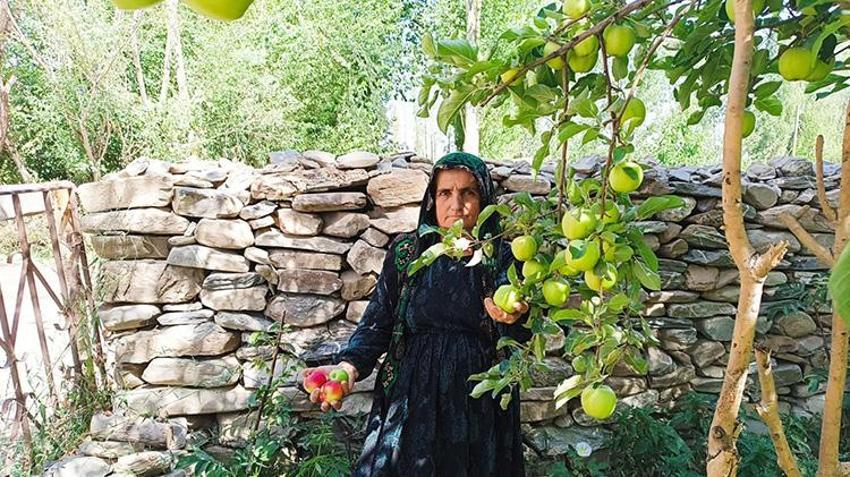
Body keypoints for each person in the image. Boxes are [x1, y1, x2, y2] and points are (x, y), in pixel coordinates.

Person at [298, 152, 532, 476]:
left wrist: (515, 317)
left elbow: (520, 341)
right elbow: (378, 320)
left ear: (484, 198)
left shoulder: (501, 259)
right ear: (432, 200)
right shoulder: (407, 253)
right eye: (445, 193)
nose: (456, 204)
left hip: (477, 404)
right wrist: (350, 365)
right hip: (410, 399)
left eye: (469, 192)